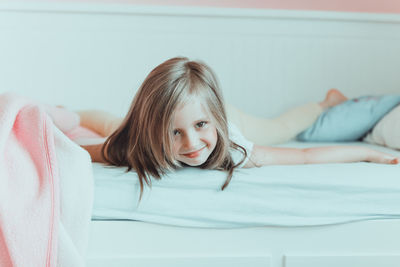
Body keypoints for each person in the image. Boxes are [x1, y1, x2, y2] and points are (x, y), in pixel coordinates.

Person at [80, 57, 399, 199]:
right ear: (154, 131)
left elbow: (305, 156)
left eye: (200, 126)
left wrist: (368, 152)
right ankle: (75, 113)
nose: (192, 143)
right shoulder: (136, 144)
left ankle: (328, 103)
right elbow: (81, 151)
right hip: (166, 119)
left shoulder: (234, 146)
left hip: (233, 121)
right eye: (174, 132)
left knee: (280, 128)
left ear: (214, 119)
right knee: (115, 125)